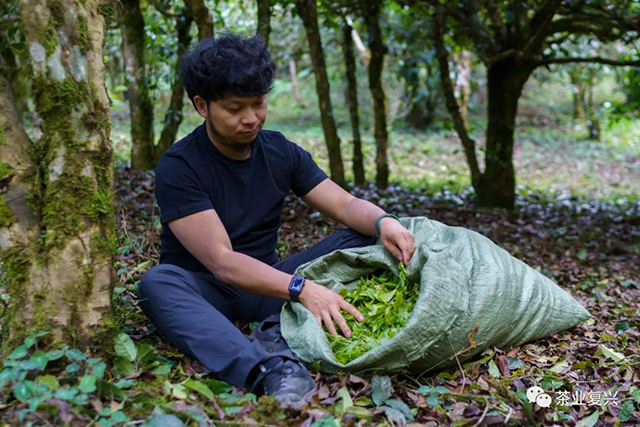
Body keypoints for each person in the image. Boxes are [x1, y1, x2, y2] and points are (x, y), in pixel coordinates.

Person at [138, 33, 415, 408]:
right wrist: (301, 289)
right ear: (202, 106)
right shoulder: (179, 166)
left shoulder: (280, 150)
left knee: (365, 235)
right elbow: (222, 262)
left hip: (270, 286)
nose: (251, 119)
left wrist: (385, 222)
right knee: (157, 283)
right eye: (235, 108)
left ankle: (275, 328)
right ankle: (268, 370)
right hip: (207, 291)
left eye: (259, 104)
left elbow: (346, 205)